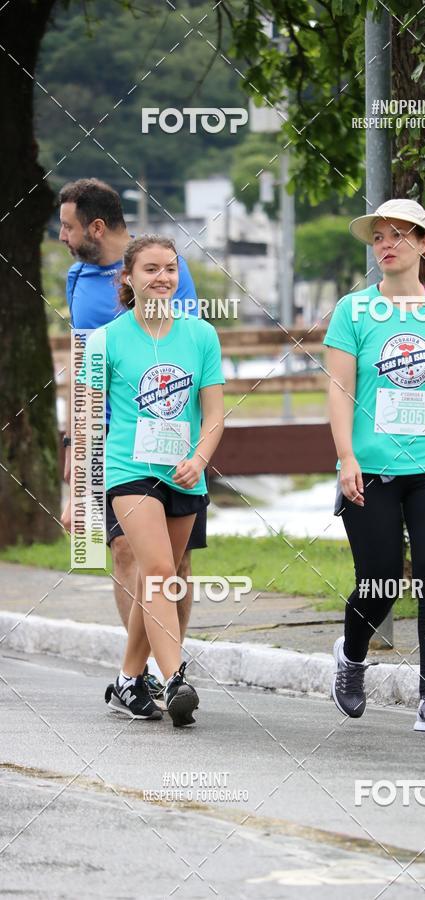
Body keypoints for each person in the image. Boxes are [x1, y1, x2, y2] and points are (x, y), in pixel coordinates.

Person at [323, 198, 425, 735]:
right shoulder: (354, 311)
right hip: (369, 467)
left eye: (397, 235)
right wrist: (346, 457)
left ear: (421, 243)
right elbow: (341, 389)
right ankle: (350, 658)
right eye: (378, 238)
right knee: (380, 583)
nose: (386, 245)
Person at [59, 178, 201, 702]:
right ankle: (147, 677)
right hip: (115, 448)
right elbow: (83, 372)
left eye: (68, 227)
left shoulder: (166, 273)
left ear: (96, 227)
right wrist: (76, 466)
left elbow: (191, 359)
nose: (61, 237)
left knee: (175, 566)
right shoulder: (77, 280)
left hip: (172, 440)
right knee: (126, 556)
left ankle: (160, 671)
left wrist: (201, 446)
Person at [74, 234, 225, 726]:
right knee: (158, 570)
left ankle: (126, 681)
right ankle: (176, 677)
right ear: (128, 278)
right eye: (150, 269)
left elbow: (216, 415)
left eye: (170, 269)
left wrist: (200, 460)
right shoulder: (106, 340)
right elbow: (87, 421)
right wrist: (78, 492)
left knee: (164, 578)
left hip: (185, 473)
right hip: (129, 472)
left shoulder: (201, 336)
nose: (162, 278)